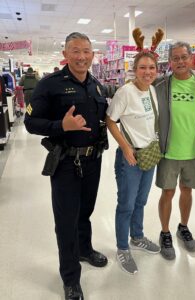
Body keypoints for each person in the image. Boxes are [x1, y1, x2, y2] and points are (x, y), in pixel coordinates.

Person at [24, 32, 109, 300]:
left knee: (85, 211)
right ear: (65, 54)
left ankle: (84, 249)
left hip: (93, 160)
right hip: (66, 164)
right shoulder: (49, 85)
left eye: (86, 50)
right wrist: (61, 125)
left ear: (93, 55)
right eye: (75, 50)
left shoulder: (97, 85)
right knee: (66, 220)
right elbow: (30, 123)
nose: (81, 56)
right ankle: (70, 278)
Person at [106, 28, 163, 275]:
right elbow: (109, 120)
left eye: (151, 68)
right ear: (134, 69)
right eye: (143, 68)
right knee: (126, 204)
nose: (148, 72)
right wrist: (125, 146)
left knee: (141, 200)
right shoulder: (125, 92)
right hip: (130, 158)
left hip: (149, 155)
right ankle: (122, 248)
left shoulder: (151, 89)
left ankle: (137, 237)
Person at [153, 42, 195, 260]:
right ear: (170, 62)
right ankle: (165, 232)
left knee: (187, 190)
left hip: (193, 152)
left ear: (192, 58)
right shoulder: (160, 85)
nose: (180, 61)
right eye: (175, 58)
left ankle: (183, 227)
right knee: (167, 192)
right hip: (168, 152)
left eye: (184, 57)